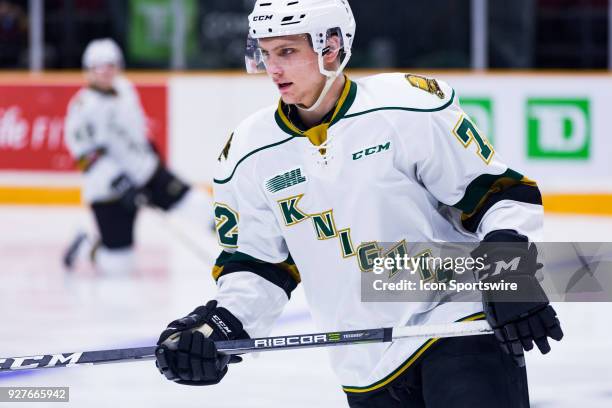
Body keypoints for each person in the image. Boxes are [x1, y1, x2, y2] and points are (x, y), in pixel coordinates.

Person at [154, 1, 563, 407]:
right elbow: (258, 266)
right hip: (362, 362)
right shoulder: (248, 152)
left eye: (287, 52)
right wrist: (217, 327)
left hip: (457, 328)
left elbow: (500, 195)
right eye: (265, 52)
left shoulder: (407, 108)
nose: (272, 68)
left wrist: (510, 273)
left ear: (331, 46)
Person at [63, 38, 212, 276]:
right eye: (98, 67)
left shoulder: (125, 88)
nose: (105, 72)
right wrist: (120, 182)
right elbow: (86, 157)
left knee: (196, 203)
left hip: (146, 171)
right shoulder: (81, 109)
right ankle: (87, 246)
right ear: (88, 70)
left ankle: (236, 242)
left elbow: (136, 129)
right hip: (109, 192)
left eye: (110, 65)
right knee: (119, 266)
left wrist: (151, 151)